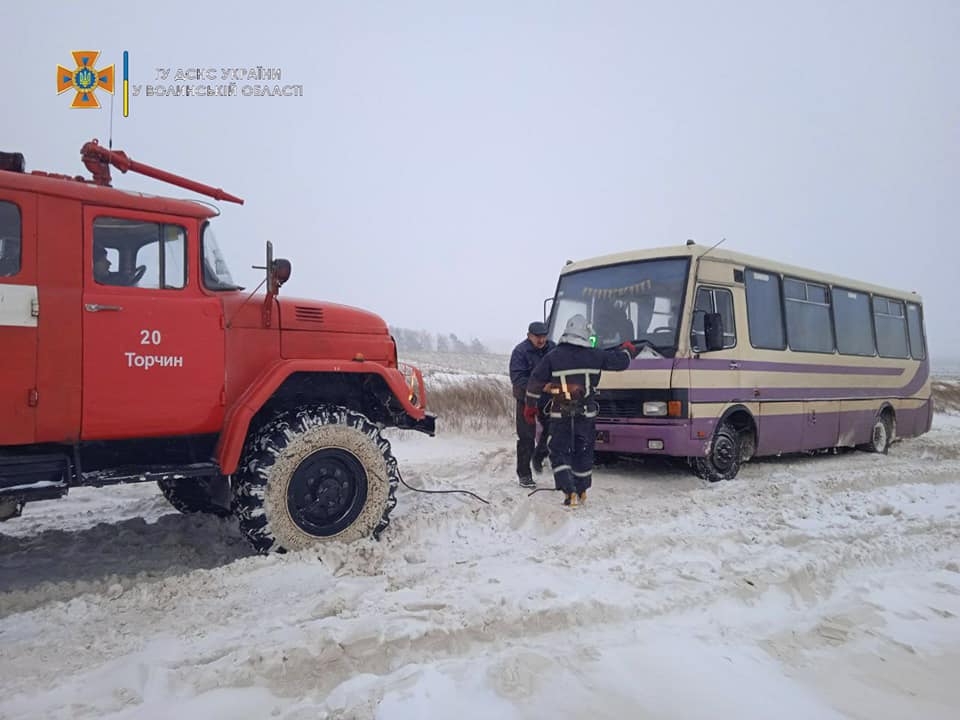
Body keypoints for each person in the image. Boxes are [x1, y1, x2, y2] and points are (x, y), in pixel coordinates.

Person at [524, 314, 639, 506]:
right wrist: (627, 349)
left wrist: (530, 407)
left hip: (560, 413)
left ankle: (569, 492)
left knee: (558, 451)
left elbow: (534, 383)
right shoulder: (596, 355)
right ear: (586, 334)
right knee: (583, 451)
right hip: (586, 414)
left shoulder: (552, 356)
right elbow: (621, 363)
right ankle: (582, 490)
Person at [509, 321, 555, 488]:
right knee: (526, 437)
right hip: (526, 400)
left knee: (552, 430)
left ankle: (539, 455)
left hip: (548, 399)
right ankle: (524, 475)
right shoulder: (520, 352)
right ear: (529, 336)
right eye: (537, 337)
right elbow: (518, 379)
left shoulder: (553, 348)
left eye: (544, 336)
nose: (541, 340)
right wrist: (542, 386)